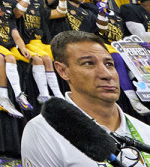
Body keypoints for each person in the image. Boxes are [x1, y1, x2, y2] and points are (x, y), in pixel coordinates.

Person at [21, 31, 150, 167]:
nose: (106, 74)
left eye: (109, 64)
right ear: (62, 71)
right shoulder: (43, 132)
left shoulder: (145, 132)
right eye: (89, 63)